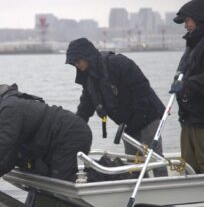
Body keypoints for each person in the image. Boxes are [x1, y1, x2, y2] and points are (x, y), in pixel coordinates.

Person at [65, 37, 167, 176]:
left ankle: (162, 188)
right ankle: (141, 192)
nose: (76, 65)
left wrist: (139, 116)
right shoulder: (88, 78)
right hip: (127, 123)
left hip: (148, 115)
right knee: (134, 164)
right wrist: (75, 126)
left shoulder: (116, 63)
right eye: (73, 63)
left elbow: (141, 87)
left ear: (86, 56)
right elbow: (85, 106)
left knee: (155, 158)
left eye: (77, 61)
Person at [0, 90, 92, 182]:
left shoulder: (8, 109)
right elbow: (12, 155)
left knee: (63, 180)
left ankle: (106, 178)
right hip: (59, 140)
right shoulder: (6, 115)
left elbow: (2, 143)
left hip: (71, 134)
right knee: (52, 176)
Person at [169, 0, 204, 174]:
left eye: (187, 21)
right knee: (187, 166)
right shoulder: (193, 44)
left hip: (201, 121)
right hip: (189, 118)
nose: (185, 25)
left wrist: (187, 85)